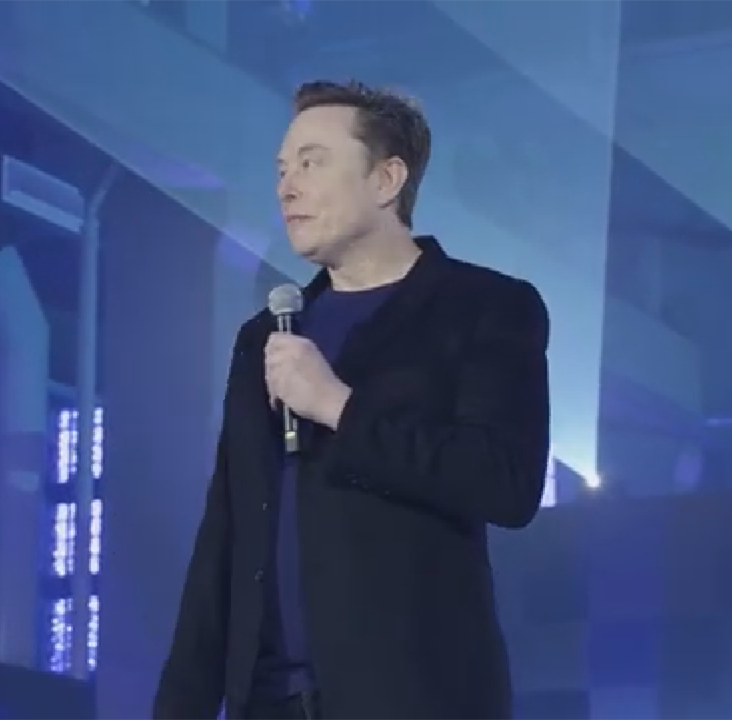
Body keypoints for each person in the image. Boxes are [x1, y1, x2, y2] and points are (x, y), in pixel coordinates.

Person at [153, 80, 550, 720]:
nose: (287, 187)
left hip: (413, 698)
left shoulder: (485, 308)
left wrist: (339, 406)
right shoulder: (267, 337)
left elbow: (506, 484)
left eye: (312, 163)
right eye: (282, 169)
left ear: (386, 179)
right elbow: (226, 535)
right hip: (270, 701)